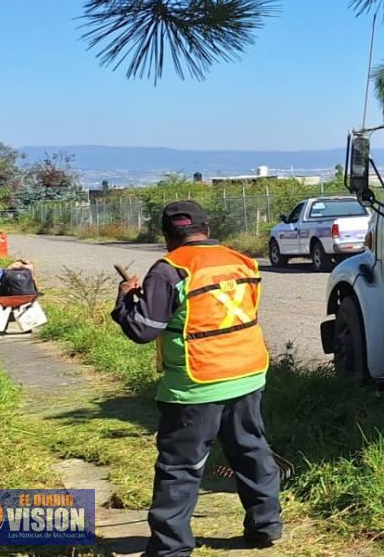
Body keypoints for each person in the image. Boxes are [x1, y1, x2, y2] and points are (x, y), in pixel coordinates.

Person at [111, 201, 282, 556]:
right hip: (248, 372)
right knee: (250, 450)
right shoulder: (242, 260)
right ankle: (265, 527)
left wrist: (126, 300)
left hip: (197, 381)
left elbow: (143, 330)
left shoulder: (169, 269)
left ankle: (170, 549)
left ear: (167, 234)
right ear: (207, 227)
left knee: (181, 466)